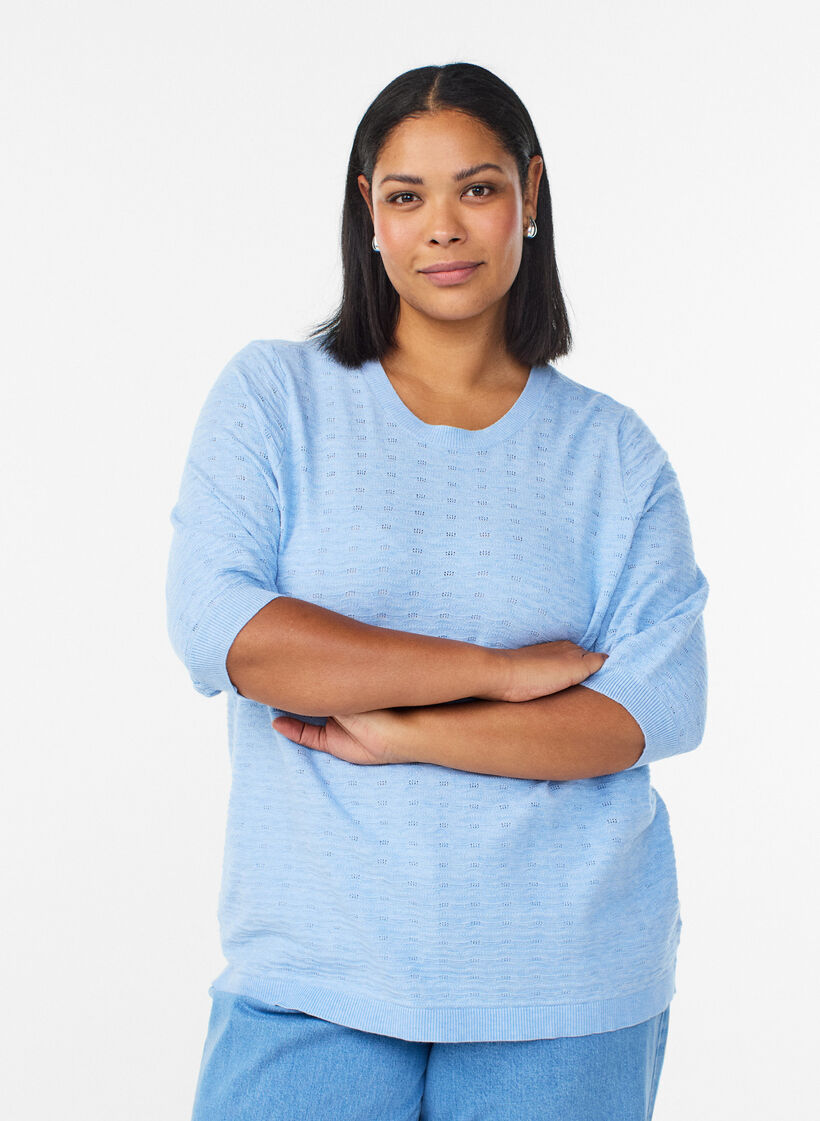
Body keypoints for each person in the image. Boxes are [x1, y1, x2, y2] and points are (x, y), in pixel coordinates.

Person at [166, 61, 708, 1121]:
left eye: (477, 187)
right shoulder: (277, 397)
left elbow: (651, 707)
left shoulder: (612, 455)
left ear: (530, 195)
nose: (443, 227)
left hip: (563, 980)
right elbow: (223, 632)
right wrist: (497, 673)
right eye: (406, 196)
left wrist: (411, 728)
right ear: (367, 211)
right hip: (314, 971)